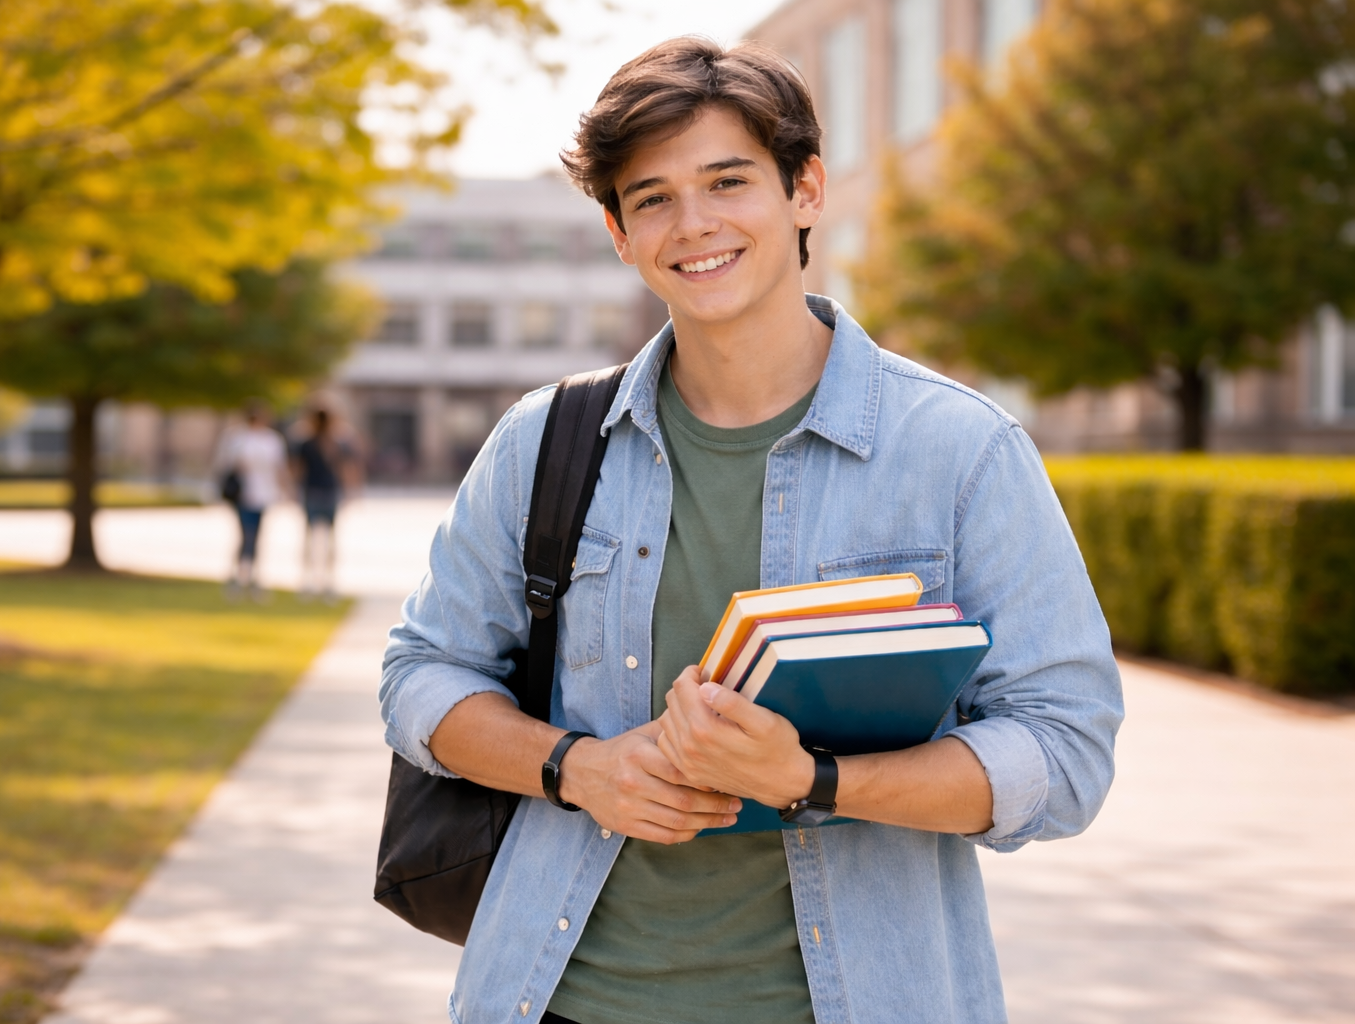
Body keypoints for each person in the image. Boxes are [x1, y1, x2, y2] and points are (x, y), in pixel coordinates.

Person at [380, 37, 1123, 1024]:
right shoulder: (544, 440)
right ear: (619, 233)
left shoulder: (958, 448)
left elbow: (1065, 749)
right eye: (652, 198)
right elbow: (422, 676)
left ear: (805, 190)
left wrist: (812, 780)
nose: (695, 225)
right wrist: (579, 767)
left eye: (728, 180)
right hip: (555, 999)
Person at [216, 401, 288, 601]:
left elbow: (278, 467)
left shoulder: (272, 440)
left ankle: (254, 578)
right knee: (245, 534)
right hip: (243, 494)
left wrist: (285, 491)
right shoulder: (238, 438)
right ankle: (239, 577)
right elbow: (227, 464)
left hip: (264, 494)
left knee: (257, 536)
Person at [291, 407, 362, 601]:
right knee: (323, 539)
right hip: (321, 491)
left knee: (316, 539)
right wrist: (351, 491)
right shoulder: (317, 443)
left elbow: (298, 470)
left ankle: (317, 582)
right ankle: (321, 582)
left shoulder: (330, 443)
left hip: (319, 491)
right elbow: (346, 469)